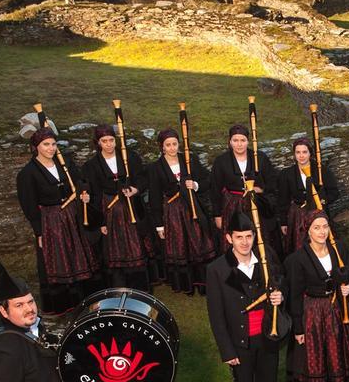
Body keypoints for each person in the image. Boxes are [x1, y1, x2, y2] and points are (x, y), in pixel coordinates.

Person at [206, 211, 297, 382]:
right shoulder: (217, 269)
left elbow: (280, 283)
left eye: (248, 236)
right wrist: (227, 350)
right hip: (240, 341)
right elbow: (216, 315)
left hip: (267, 333)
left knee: (268, 379)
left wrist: (280, 296)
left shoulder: (266, 259)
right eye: (239, 237)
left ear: (254, 236)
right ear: (229, 238)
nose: (245, 242)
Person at [285, 210, 349, 382]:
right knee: (317, 356)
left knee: (340, 353)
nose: (322, 232)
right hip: (314, 313)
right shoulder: (298, 259)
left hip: (339, 309)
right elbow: (294, 296)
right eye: (316, 228)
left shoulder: (339, 248)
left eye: (325, 227)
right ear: (308, 231)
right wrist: (298, 328)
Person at [15, 128, 99, 315]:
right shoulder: (28, 173)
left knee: (80, 257)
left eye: (53, 144)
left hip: (73, 216)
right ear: (36, 147)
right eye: (46, 144)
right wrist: (39, 232)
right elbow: (29, 206)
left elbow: (81, 182)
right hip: (50, 222)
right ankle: (66, 305)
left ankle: (87, 300)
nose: (51, 148)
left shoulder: (65, 163)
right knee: (59, 261)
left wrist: (84, 194)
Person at [83, 124, 152, 291]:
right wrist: (100, 222)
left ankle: (140, 290)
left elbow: (143, 178)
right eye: (104, 141)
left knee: (136, 246)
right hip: (109, 212)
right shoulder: (91, 166)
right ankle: (118, 289)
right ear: (98, 143)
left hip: (131, 209)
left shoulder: (130, 157)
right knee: (114, 250)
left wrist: (135, 189)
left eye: (111, 140)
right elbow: (94, 196)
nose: (108, 144)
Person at [148, 128, 216, 296]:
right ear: (162, 147)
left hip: (192, 209)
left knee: (198, 243)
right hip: (172, 212)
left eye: (174, 144)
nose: (172, 148)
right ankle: (187, 285)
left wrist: (195, 185)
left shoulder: (189, 160)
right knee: (180, 246)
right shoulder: (156, 168)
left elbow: (208, 179)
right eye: (168, 145)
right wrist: (159, 225)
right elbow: (154, 197)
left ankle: (203, 284)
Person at [211, 124, 281, 257]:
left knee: (259, 236)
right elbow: (215, 189)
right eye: (235, 140)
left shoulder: (259, 157)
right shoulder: (221, 161)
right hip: (232, 206)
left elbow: (272, 181)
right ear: (230, 142)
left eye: (242, 140)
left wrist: (260, 189)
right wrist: (217, 215)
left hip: (256, 205)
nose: (239, 144)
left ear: (248, 141)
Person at [276, 138, 339, 253]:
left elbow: (334, 192)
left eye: (304, 152)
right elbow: (283, 200)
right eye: (298, 152)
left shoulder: (321, 171)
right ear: (294, 154)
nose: (301, 156)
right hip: (298, 215)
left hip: (318, 212)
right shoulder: (287, 174)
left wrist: (322, 201)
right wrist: (284, 222)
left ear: (310, 153)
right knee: (301, 245)